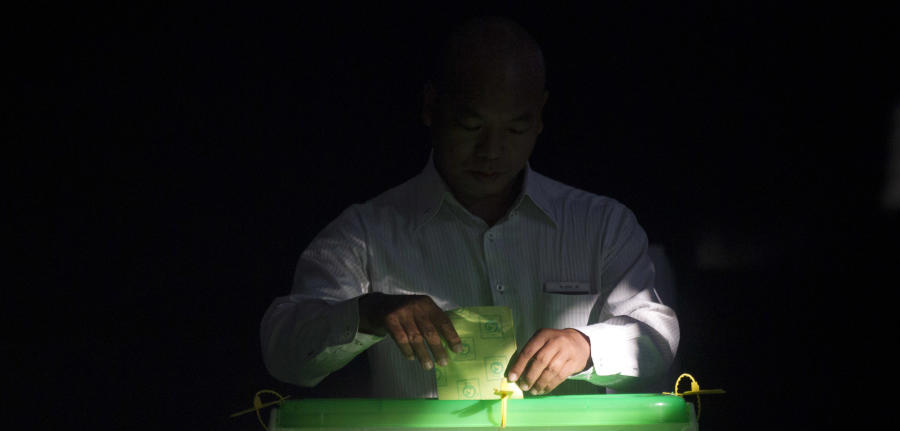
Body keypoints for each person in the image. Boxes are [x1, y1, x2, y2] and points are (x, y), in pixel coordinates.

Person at [261, 16, 679, 398]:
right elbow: (283, 351)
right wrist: (367, 314)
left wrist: (587, 346)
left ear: (539, 118)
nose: (492, 150)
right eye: (471, 125)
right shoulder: (366, 234)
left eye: (515, 128)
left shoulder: (601, 225)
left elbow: (657, 332)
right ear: (430, 107)